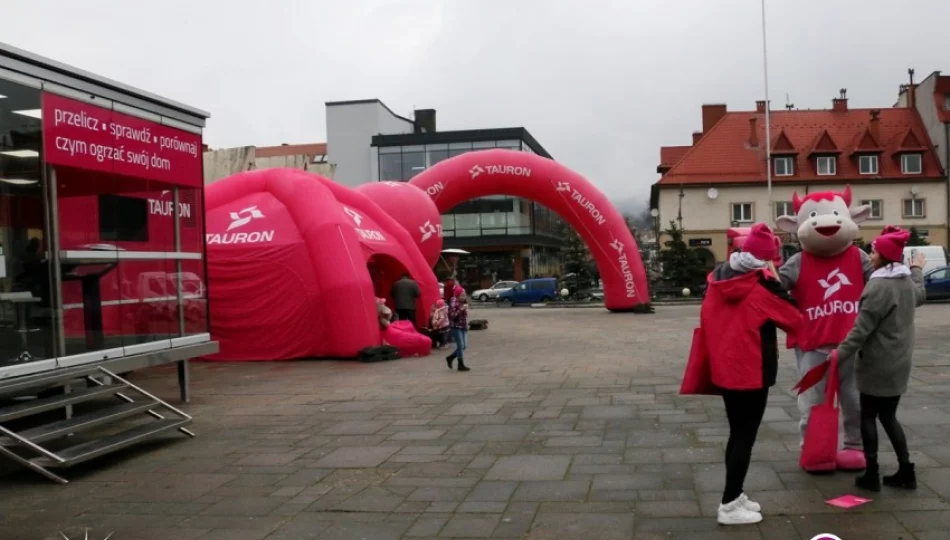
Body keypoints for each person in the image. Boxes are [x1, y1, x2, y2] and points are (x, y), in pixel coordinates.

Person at [700, 223, 801, 525]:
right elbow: (795, 319)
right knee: (746, 437)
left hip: (726, 368)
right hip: (753, 370)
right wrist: (777, 282)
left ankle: (736, 493)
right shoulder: (762, 287)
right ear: (767, 259)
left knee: (736, 433)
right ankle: (729, 504)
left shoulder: (718, 278)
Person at [835, 226, 927, 492]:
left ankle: (871, 474)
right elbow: (921, 295)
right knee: (889, 416)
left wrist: (838, 355)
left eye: (873, 251)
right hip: (899, 363)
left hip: (876, 364)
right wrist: (917, 268)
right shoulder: (905, 281)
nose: (870, 255)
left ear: (885, 256)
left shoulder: (878, 286)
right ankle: (906, 470)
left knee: (868, 416)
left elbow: (860, 331)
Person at [446, 285, 470, 372]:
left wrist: (467, 324)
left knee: (464, 346)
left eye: (465, 295)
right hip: (455, 326)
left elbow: (464, 316)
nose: (464, 297)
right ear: (457, 295)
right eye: (462, 295)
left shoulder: (463, 302)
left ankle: (451, 357)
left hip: (462, 326)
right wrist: (461, 309)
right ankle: (460, 364)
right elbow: (453, 315)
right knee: (460, 345)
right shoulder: (454, 303)